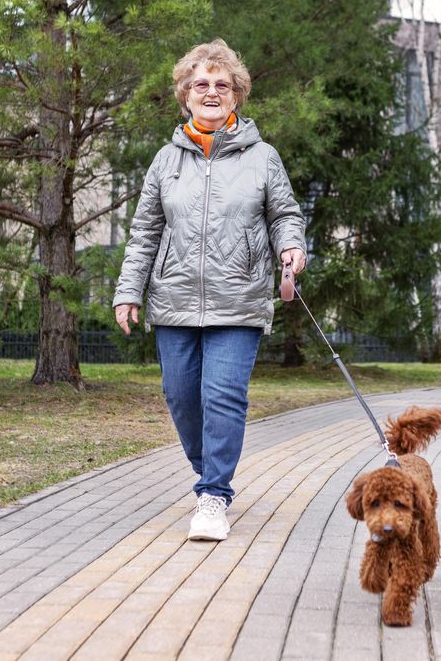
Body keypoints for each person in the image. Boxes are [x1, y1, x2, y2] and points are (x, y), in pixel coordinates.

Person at [113, 39, 307, 541]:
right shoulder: (165, 161)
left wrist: (291, 247)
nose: (212, 91)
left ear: (237, 96)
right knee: (181, 397)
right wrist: (127, 291)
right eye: (201, 84)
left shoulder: (263, 157)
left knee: (222, 396)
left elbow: (284, 213)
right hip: (173, 298)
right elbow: (145, 232)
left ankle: (213, 495)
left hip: (238, 297)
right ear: (186, 95)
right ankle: (210, 473)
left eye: (222, 84)